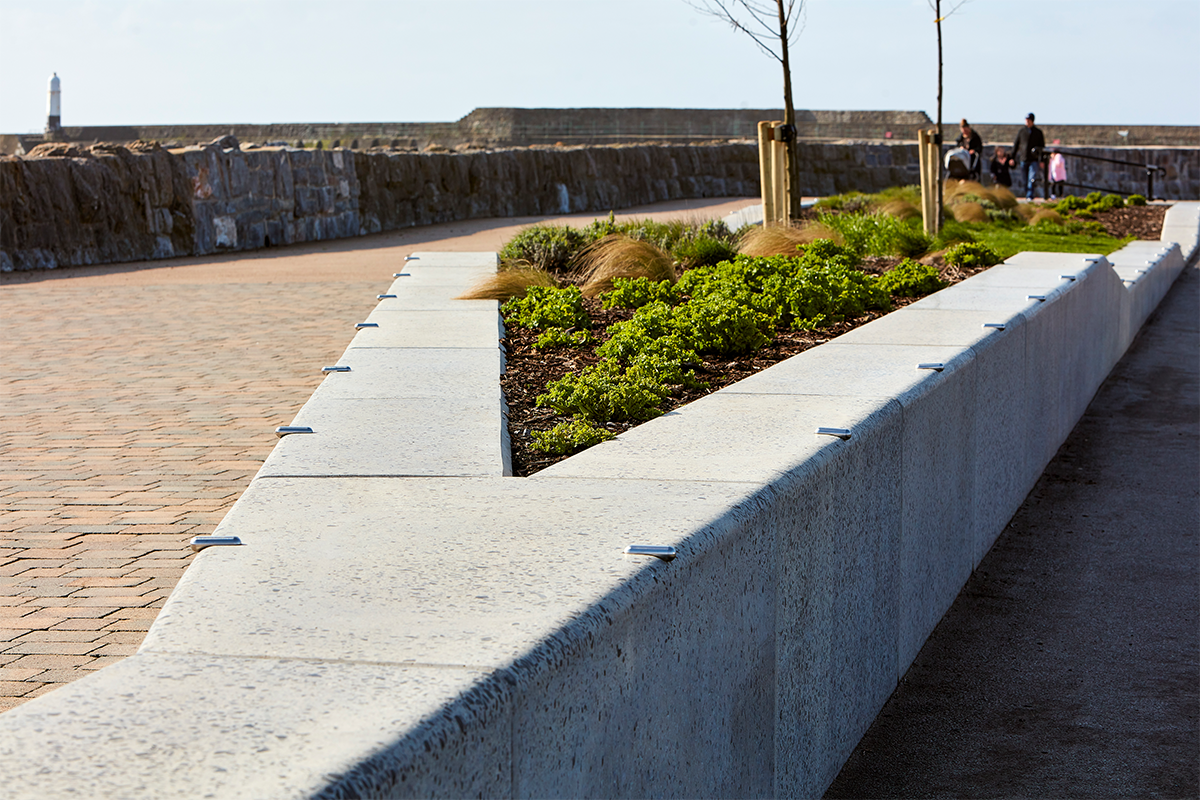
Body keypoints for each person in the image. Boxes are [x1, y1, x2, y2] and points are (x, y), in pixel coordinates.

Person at [1009, 112, 1046, 199]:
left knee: (1031, 178)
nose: (1027, 122)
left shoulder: (1038, 133)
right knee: (1025, 179)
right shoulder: (1021, 132)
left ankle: (1030, 195)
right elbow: (1016, 145)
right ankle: (1027, 193)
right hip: (1023, 158)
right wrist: (1012, 158)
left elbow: (1042, 148)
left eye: (1028, 120)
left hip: (1034, 159)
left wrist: (1042, 160)